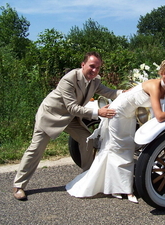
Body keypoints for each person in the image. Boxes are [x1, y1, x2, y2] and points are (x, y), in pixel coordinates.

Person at [65, 59, 165, 203]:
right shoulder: (155, 86)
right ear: (161, 73)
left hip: (130, 115)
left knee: (124, 148)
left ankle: (115, 187)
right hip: (117, 113)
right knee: (122, 149)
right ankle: (125, 189)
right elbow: (161, 115)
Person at [13, 51, 123, 200]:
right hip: (51, 116)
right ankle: (19, 185)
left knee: (87, 140)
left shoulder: (95, 80)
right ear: (83, 65)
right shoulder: (69, 79)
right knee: (36, 150)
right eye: (92, 66)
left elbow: (110, 92)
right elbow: (72, 107)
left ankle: (88, 178)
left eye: (98, 68)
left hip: (70, 118)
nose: (95, 70)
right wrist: (98, 112)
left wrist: (127, 92)